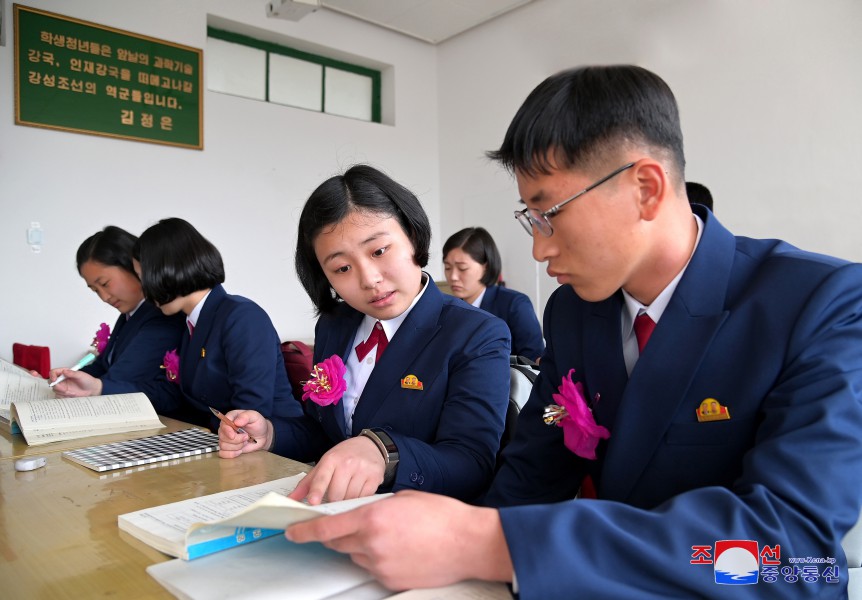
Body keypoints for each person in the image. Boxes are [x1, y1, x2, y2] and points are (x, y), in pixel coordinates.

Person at [282, 66, 862, 598]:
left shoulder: (820, 304)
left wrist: (491, 544)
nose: (538, 248)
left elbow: (793, 557)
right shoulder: (574, 314)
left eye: (550, 213)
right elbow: (533, 470)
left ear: (646, 188)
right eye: (530, 220)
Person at [217, 165, 511, 505]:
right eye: (342, 268)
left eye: (379, 251)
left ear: (413, 236)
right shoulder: (336, 324)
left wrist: (385, 453)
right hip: (337, 511)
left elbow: (471, 462)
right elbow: (326, 432)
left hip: (417, 521)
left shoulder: (476, 333)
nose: (369, 279)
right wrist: (270, 433)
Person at [134, 218, 303, 430]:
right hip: (224, 438)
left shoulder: (242, 316)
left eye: (143, 277)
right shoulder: (192, 323)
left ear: (167, 268)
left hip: (272, 444)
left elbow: (251, 410)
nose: (143, 288)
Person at [49, 226, 186, 416]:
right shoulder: (129, 315)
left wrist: (92, 386)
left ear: (134, 266)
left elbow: (119, 377)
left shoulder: (161, 316)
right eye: (95, 290)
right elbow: (103, 365)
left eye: (105, 284)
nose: (104, 297)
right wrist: (66, 379)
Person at [443, 227, 544, 361]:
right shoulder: (447, 309)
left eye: (462, 268)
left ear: (486, 266)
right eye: (447, 268)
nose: (453, 276)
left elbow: (533, 361)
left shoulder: (515, 304)